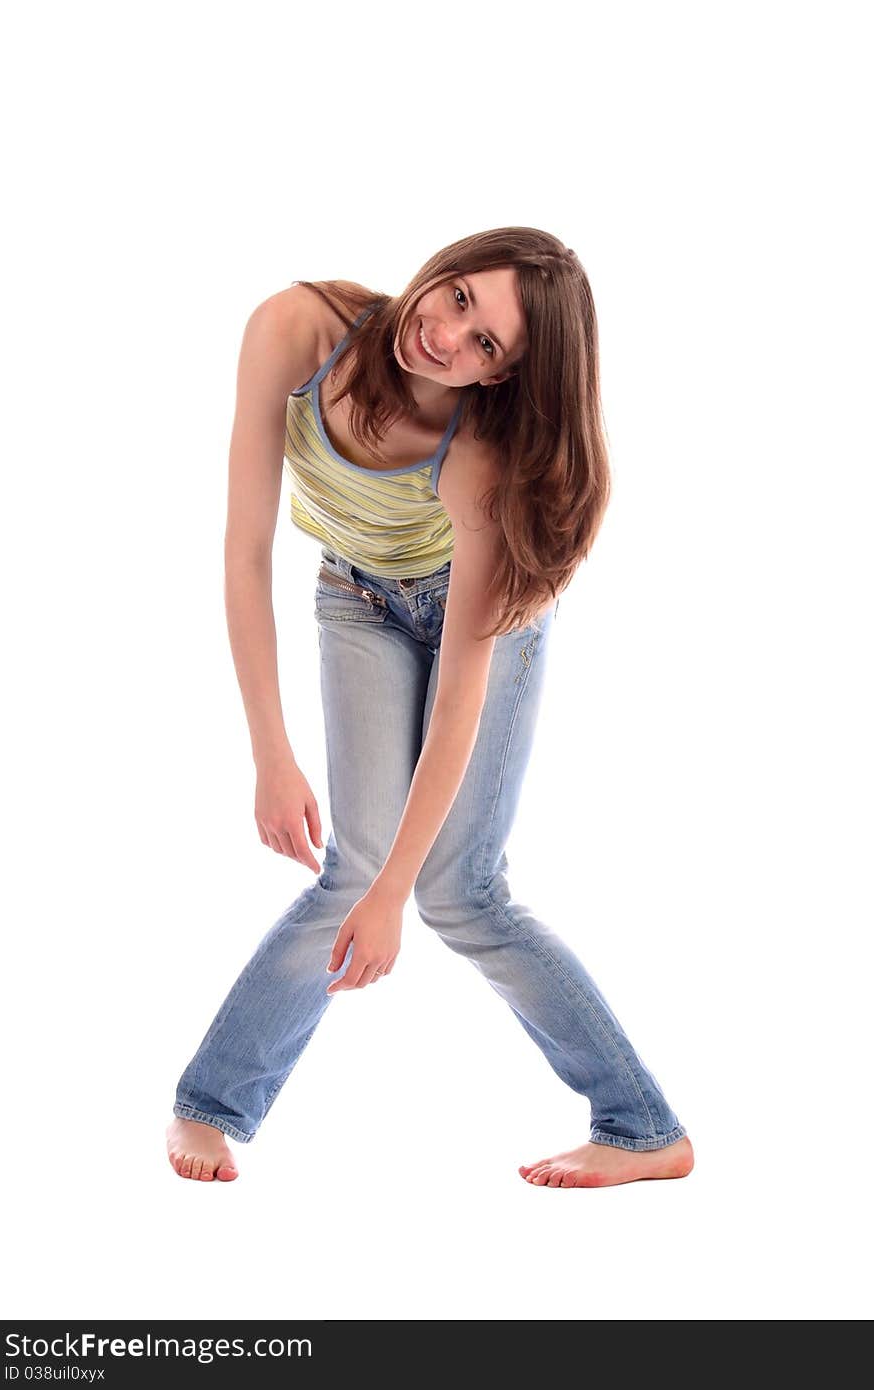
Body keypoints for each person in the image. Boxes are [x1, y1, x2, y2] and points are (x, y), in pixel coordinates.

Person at [166, 226, 694, 1188]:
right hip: (356, 596)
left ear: (502, 377)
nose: (448, 336)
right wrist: (270, 755)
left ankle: (641, 1124)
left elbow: (459, 697)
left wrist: (394, 897)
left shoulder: (479, 461)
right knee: (348, 875)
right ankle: (210, 1107)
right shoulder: (295, 328)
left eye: (486, 343)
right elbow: (243, 554)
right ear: (443, 269)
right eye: (459, 298)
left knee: (460, 892)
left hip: (481, 620)